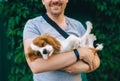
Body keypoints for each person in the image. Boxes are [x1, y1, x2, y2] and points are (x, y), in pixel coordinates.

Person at [23, 0, 100, 81]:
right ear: (43, 1)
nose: (55, 0)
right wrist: (79, 53)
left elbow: (96, 59)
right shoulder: (33, 25)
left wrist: (84, 67)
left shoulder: (77, 25)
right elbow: (36, 66)